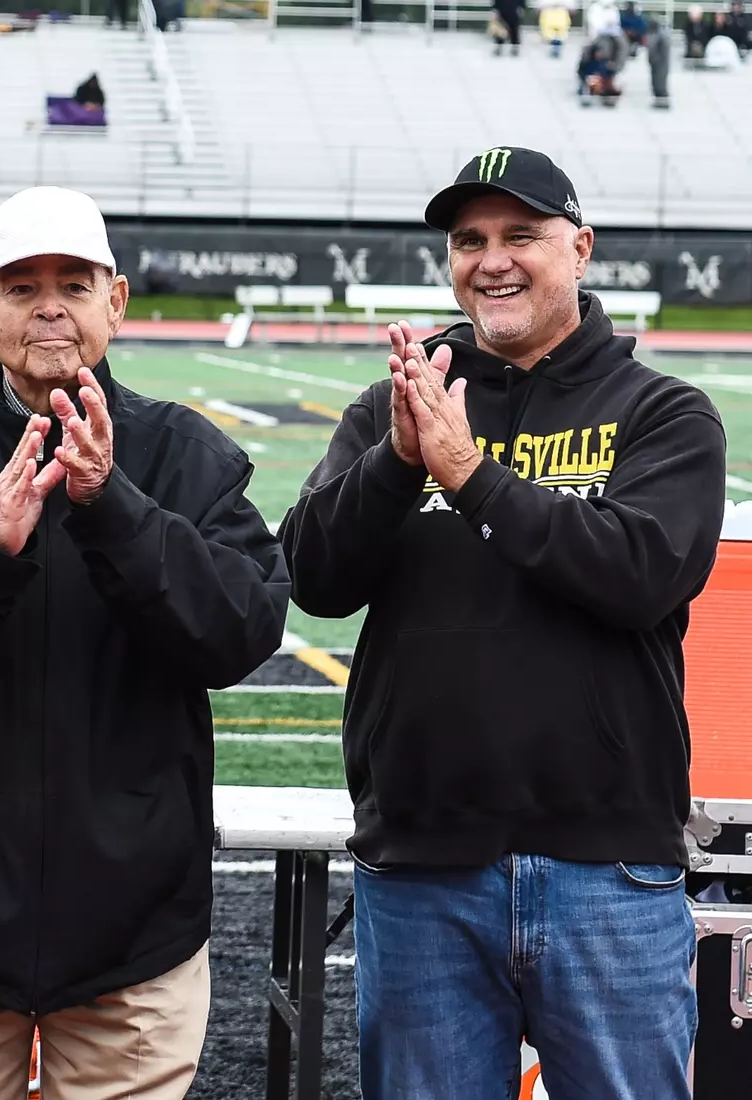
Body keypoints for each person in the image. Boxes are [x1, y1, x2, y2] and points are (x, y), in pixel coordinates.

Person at [0, 185, 289, 1100]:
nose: (49, 307)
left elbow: (241, 630)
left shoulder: (188, 456)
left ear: (115, 301)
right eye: (22, 284)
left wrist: (114, 508)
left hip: (133, 935)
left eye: (73, 283)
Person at [279, 146, 725, 1100]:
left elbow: (639, 575)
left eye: (522, 234)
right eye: (469, 240)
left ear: (581, 247)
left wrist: (472, 478)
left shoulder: (665, 414)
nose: (493, 260)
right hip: (422, 864)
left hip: (608, 869)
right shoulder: (394, 408)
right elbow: (314, 576)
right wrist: (399, 463)